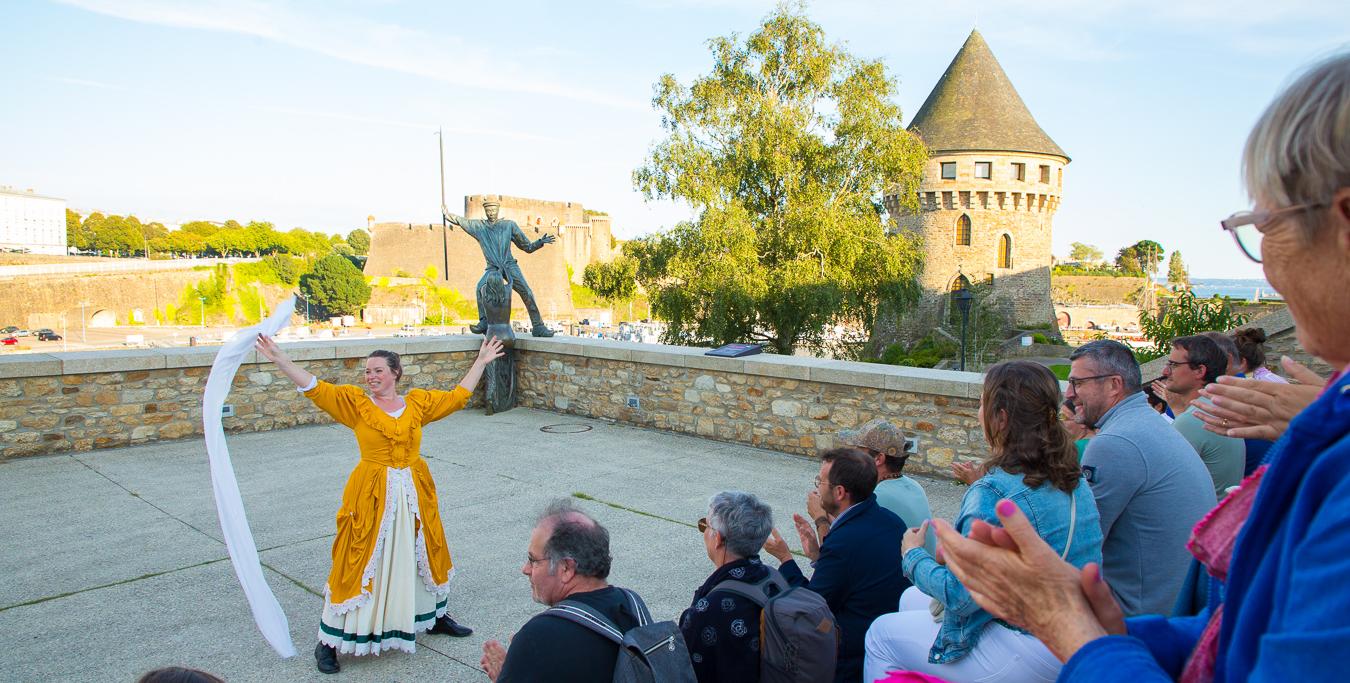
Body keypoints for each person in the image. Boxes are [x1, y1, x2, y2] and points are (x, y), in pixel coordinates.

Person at [926, 52, 1350, 682]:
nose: (1263, 263)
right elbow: (1240, 639)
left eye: (1266, 225)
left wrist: (1071, 631)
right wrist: (1110, 632)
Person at [254, 335, 502, 673]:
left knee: (423, 554)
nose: (370, 376)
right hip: (371, 494)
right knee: (357, 561)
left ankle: (434, 616)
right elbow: (315, 387)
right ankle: (328, 642)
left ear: (396, 373)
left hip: (414, 491)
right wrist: (280, 359)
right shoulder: (355, 404)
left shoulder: (417, 404)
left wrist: (481, 362)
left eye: (378, 370)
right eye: (367, 371)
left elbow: (458, 397)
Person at [863, 361, 1103, 683]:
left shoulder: (992, 489)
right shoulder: (1073, 476)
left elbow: (961, 596)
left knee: (880, 635)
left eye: (981, 404)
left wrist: (912, 555)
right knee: (908, 599)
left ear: (1000, 418)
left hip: (1030, 644)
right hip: (1079, 632)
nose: (978, 413)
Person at [1065, 339, 1214, 616]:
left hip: (1136, 617)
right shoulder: (1149, 423)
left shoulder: (1115, 442)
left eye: (1077, 383)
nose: (1069, 393)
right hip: (1177, 604)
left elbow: (1079, 543)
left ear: (1113, 385)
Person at [763, 447, 909, 683]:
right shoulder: (891, 521)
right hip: (890, 641)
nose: (817, 488)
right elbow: (856, 576)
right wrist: (818, 557)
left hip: (853, 658)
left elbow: (810, 607)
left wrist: (785, 559)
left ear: (840, 492)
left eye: (820, 482)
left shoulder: (844, 542)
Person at [481, 499, 649, 682]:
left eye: (533, 560)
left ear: (566, 568)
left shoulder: (537, 638)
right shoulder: (632, 603)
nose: (525, 569)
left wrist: (508, 673)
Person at [681, 491, 777, 683]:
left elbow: (682, 669)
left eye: (704, 526)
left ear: (717, 538)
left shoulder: (707, 610)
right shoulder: (775, 579)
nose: (704, 532)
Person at [443, 199, 557, 337]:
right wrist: (447, 214)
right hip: (492, 268)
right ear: (485, 212)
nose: (491, 213)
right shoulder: (480, 227)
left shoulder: (509, 225)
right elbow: (461, 221)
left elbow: (527, 247)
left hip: (509, 265)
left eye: (493, 210)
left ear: (498, 211)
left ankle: (538, 326)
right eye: (488, 211)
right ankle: (484, 321)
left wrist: (539, 242)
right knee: (480, 288)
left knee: (526, 292)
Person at [821, 418, 935, 556]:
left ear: (878, 459)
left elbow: (838, 550)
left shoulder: (875, 497)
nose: (853, 455)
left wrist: (821, 516)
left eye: (859, 451)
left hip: (905, 575)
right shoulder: (914, 486)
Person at [1162, 335, 1246, 499]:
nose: (1165, 371)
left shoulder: (1193, 419)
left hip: (1200, 520)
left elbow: (1158, 482)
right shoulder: (1218, 408)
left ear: (1200, 371)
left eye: (1173, 365)